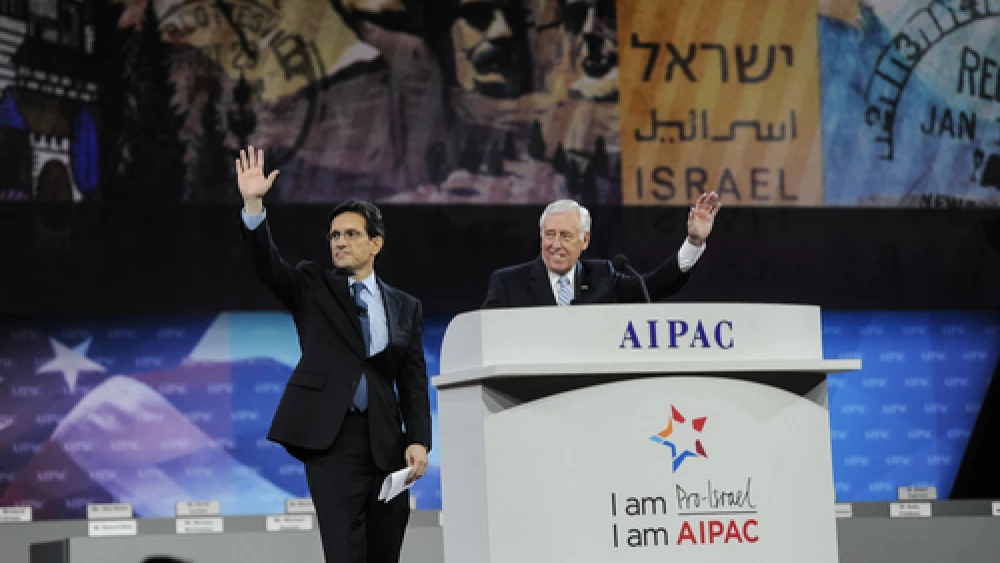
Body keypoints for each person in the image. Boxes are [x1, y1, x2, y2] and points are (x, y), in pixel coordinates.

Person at [235, 146, 431, 563]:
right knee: (344, 553)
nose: (340, 243)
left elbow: (412, 381)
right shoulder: (311, 286)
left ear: (375, 243)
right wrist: (253, 205)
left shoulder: (405, 306)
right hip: (332, 442)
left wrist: (418, 439)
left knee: (385, 552)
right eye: (335, 236)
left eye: (351, 234)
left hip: (387, 445)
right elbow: (267, 266)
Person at [481, 192, 720, 307]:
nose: (555, 245)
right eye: (549, 234)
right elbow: (484, 340)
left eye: (565, 236)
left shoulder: (603, 277)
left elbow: (656, 285)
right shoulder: (508, 284)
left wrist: (694, 242)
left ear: (584, 241)